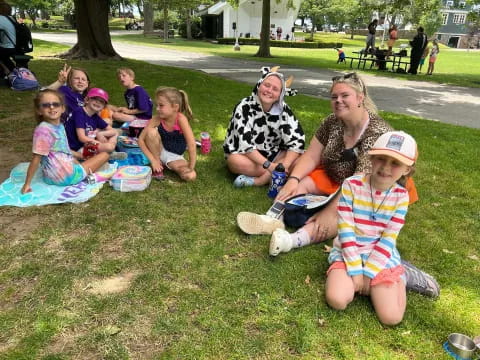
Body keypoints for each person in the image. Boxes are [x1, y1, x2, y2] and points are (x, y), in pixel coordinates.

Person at [325, 131, 417, 325]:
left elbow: (388, 239)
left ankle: (402, 276)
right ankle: (359, 280)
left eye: (395, 163)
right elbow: (346, 230)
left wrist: (369, 274)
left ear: (407, 169)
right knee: (337, 299)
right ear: (371, 158)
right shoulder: (351, 185)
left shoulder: (401, 197)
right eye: (381, 159)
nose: (385, 167)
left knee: (391, 318)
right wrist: (356, 271)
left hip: (381, 254)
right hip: (350, 251)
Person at [223, 66, 305, 187]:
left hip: (275, 154)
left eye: (275, 89)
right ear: (259, 85)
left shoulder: (284, 110)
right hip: (247, 156)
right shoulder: (244, 106)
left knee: (304, 156)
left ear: (280, 94)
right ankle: (279, 176)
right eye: (267, 85)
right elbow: (246, 145)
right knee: (234, 161)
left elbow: (297, 141)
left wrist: (285, 165)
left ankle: (259, 180)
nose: (269, 91)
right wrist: (270, 166)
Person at [21, 89, 109, 194]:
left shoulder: (59, 125)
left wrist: (81, 157)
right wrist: (27, 184)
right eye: (45, 105)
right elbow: (36, 158)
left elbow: (64, 150)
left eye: (55, 104)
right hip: (67, 177)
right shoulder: (43, 130)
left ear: (62, 108)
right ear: (39, 110)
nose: (52, 107)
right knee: (105, 154)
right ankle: (93, 176)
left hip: (50, 177)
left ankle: (83, 166)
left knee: (87, 157)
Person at [138, 86, 197, 182]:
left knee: (191, 176)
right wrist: (153, 160)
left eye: (161, 105)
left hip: (174, 156)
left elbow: (191, 144)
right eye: (157, 105)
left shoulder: (181, 119)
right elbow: (140, 140)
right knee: (151, 132)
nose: (157, 109)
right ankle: (158, 166)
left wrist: (191, 166)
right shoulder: (156, 119)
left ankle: (163, 164)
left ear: (175, 107)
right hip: (158, 151)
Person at [64, 88, 124, 160]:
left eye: (101, 102)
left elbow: (113, 131)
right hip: (76, 149)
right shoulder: (79, 112)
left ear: (103, 107)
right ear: (87, 100)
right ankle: (109, 153)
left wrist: (100, 134)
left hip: (88, 144)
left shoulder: (95, 117)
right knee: (109, 146)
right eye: (95, 99)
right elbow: (82, 138)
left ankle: (108, 152)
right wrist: (102, 144)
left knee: (115, 133)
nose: (98, 102)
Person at [0, 2, 16, 76]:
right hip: (15, 46)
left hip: (7, 47)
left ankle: (6, 70)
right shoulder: (11, 18)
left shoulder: (0, 18)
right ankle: (11, 70)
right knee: (5, 58)